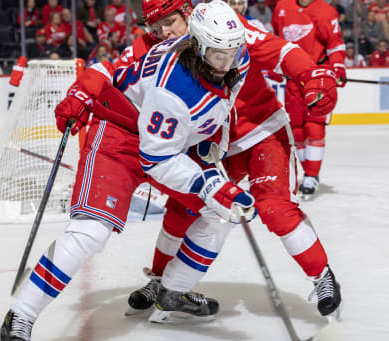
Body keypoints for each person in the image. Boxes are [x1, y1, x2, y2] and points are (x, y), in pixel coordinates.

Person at [0, 2, 255, 341]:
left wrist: (212, 147)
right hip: (122, 140)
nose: (226, 64)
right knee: (90, 232)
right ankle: (22, 313)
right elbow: (156, 158)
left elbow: (220, 105)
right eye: (217, 56)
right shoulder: (173, 86)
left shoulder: (232, 54)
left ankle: (172, 292)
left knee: (219, 213)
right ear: (197, 43)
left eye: (231, 53)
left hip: (167, 142)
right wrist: (208, 182)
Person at [119, 0, 341, 321]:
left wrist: (311, 74)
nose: (162, 31)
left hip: (261, 131)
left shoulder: (226, 28)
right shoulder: (158, 47)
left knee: (274, 208)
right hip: (214, 144)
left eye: (168, 22)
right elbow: (120, 75)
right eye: (155, 26)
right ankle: (161, 281)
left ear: (186, 14)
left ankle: (322, 276)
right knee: (185, 208)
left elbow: (280, 51)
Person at [272, 0, 346, 199]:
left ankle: (311, 176)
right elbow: (278, 41)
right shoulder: (282, 7)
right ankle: (309, 173)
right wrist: (276, 65)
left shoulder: (325, 10)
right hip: (294, 77)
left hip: (319, 75)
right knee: (296, 130)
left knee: (314, 127)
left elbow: (335, 42)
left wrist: (338, 66)